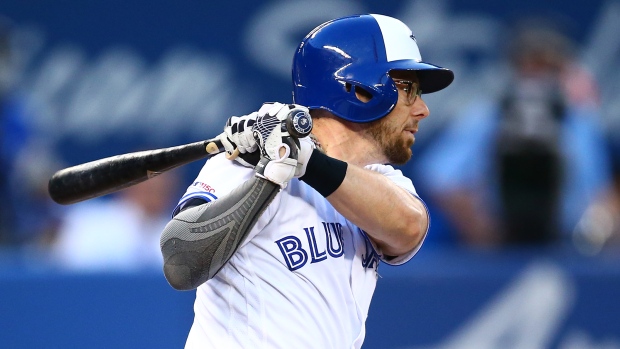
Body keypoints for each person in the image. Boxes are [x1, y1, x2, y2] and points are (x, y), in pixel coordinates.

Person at [160, 14, 453, 348]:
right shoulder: (247, 163)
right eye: (408, 89)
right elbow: (180, 262)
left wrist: (307, 161)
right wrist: (269, 178)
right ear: (360, 90)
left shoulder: (379, 178)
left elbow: (409, 229)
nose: (422, 110)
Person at [413, 21, 612, 247]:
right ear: (515, 68)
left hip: (567, 246)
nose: (537, 76)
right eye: (530, 66)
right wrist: (480, 226)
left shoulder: (579, 121)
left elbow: (600, 193)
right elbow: (438, 177)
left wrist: (597, 230)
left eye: (547, 67)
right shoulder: (487, 117)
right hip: (501, 247)